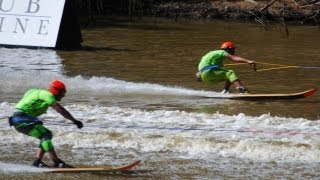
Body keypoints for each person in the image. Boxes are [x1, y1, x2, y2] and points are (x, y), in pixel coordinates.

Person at [8, 80, 83, 168]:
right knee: (45, 135)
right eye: (62, 93)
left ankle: (37, 161)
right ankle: (57, 162)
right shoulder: (48, 95)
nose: (63, 95)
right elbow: (60, 109)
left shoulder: (34, 91)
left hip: (17, 119)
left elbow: (25, 103)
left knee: (46, 135)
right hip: (22, 120)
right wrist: (75, 121)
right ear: (56, 91)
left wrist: (33, 118)